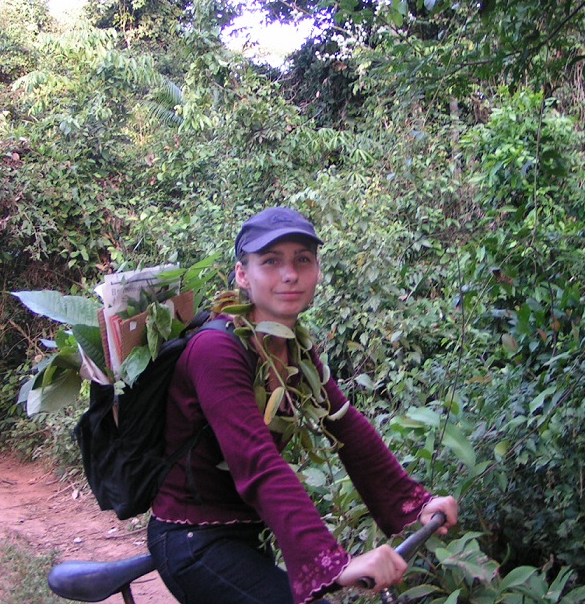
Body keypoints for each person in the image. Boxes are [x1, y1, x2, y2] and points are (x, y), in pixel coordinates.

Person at [148, 207, 459, 604]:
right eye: (270, 261)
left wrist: (415, 503)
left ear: (317, 271)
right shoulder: (216, 349)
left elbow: (345, 426)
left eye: (303, 260)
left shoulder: (292, 347)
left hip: (247, 533)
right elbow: (257, 461)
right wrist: (331, 562)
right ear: (242, 274)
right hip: (194, 540)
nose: (290, 274)